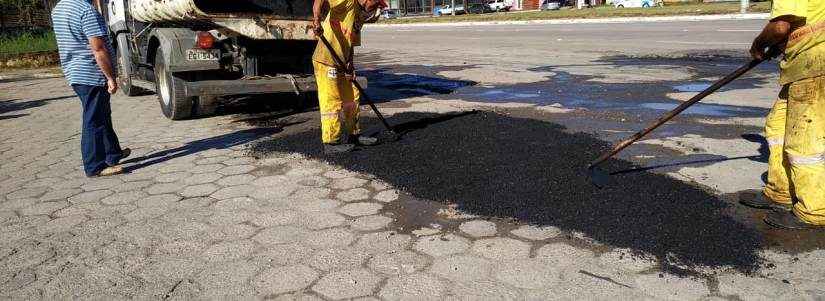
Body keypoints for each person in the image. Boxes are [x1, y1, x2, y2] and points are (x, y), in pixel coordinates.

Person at [741, 0, 824, 229]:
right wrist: (781, 45)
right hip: (804, 65)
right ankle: (780, 191)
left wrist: (759, 45)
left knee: (804, 143)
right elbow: (805, 22)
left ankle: (814, 209)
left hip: (815, 64)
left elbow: (780, 26)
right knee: (777, 127)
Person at [52, 0, 130, 177]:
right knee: (93, 118)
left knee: (102, 113)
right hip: (90, 72)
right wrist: (110, 77)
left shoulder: (59, 8)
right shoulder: (86, 10)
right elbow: (98, 48)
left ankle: (113, 153)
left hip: (74, 71)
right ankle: (94, 166)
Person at [312, 0, 387, 154]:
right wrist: (316, 21)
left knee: (352, 97)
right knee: (331, 100)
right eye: (374, 5)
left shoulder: (359, 17)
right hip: (326, 59)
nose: (375, 9)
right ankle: (331, 142)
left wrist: (350, 65)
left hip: (342, 63)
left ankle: (354, 134)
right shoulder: (346, 1)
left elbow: (351, 43)